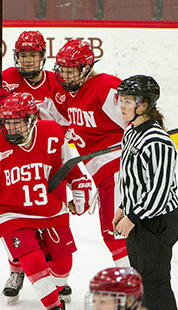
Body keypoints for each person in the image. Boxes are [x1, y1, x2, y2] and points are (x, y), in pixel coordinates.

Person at [0, 92, 92, 310]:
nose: (11, 128)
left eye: (18, 121)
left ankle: (25, 271)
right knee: (33, 259)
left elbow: (69, 165)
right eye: (7, 122)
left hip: (51, 210)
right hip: (11, 213)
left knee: (62, 268)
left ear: (33, 118)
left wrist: (79, 183)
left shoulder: (52, 134)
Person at [0, 30, 71, 304]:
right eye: (23, 55)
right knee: (14, 219)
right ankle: (16, 268)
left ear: (42, 56)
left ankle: (55, 274)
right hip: (12, 159)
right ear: (16, 56)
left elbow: (67, 119)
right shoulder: (4, 80)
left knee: (51, 218)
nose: (28, 61)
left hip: (47, 161)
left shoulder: (56, 82)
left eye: (33, 55)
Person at [112, 75, 178, 310]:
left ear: (143, 104)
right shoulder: (131, 132)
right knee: (141, 280)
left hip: (157, 222)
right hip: (140, 217)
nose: (122, 106)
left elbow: (159, 192)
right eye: (122, 99)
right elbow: (131, 176)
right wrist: (123, 207)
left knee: (156, 283)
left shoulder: (157, 142)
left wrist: (133, 217)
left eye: (128, 101)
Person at [54, 39, 130, 268]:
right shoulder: (71, 94)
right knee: (115, 233)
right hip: (104, 176)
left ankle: (133, 287)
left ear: (86, 68)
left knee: (115, 233)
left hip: (118, 171)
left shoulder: (105, 87)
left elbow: (134, 122)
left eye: (72, 71)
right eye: (63, 71)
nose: (67, 77)